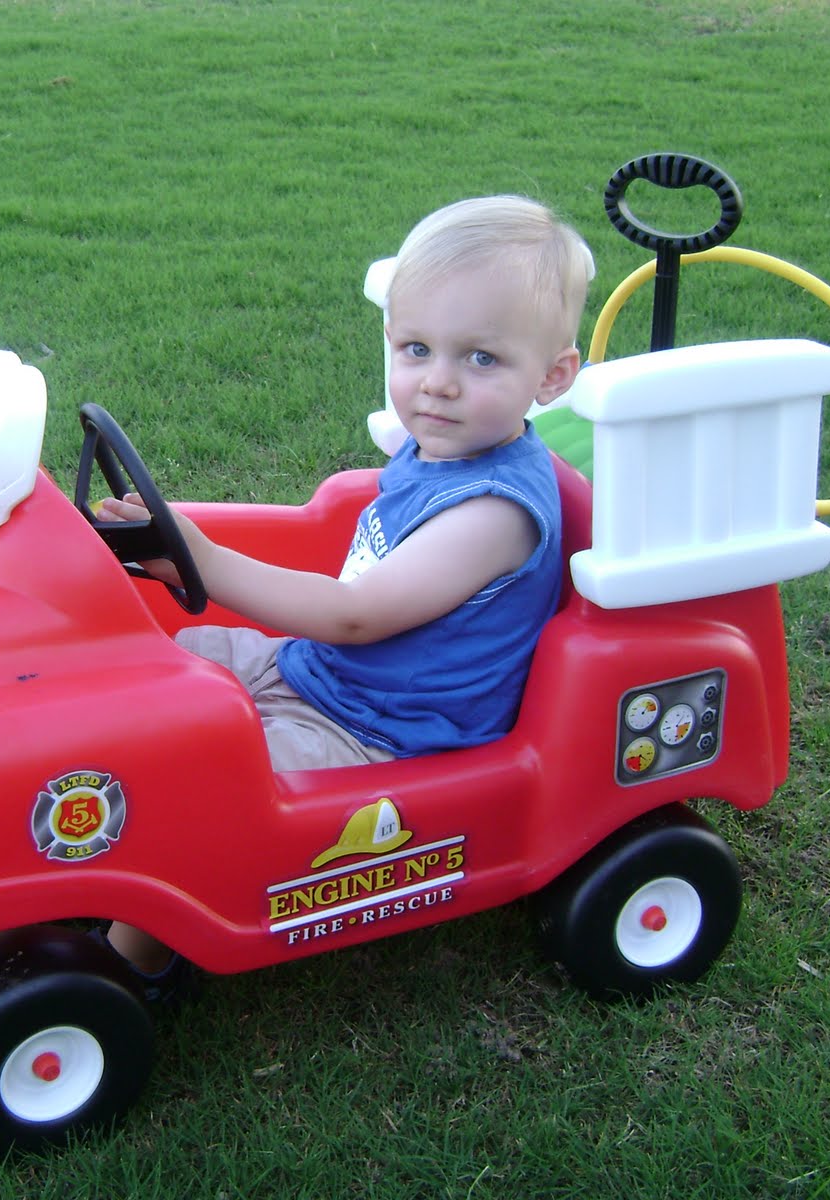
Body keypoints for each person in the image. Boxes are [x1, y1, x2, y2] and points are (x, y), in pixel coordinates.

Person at [95, 194, 593, 996]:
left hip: (386, 735)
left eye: (482, 360)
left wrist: (204, 559)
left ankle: (129, 963)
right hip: (312, 671)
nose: (438, 384)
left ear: (553, 376)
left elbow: (355, 614)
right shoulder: (438, 451)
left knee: (203, 795)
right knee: (156, 675)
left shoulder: (494, 512)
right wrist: (182, 547)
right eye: (417, 348)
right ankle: (94, 836)